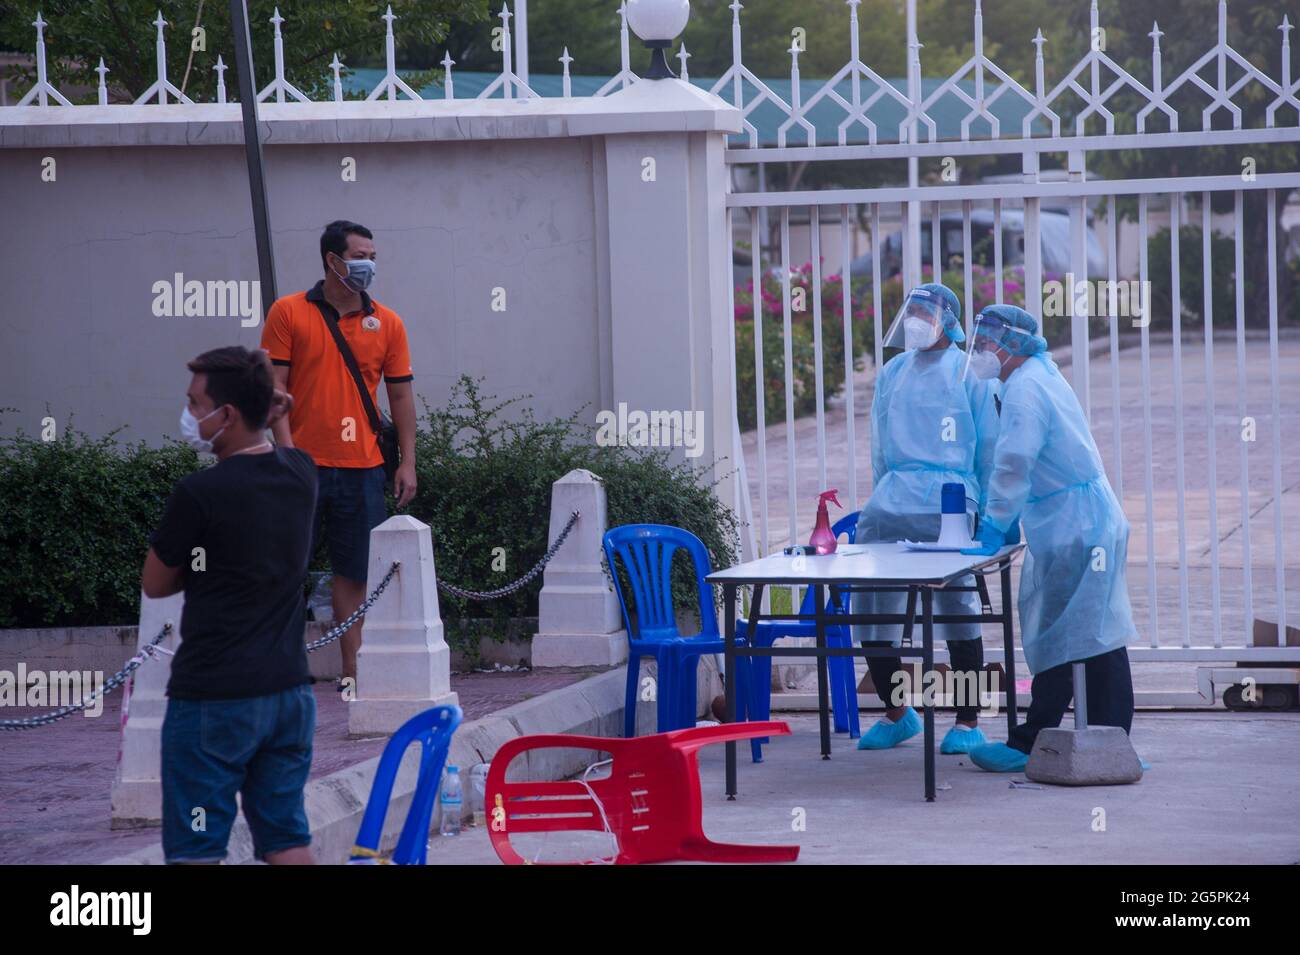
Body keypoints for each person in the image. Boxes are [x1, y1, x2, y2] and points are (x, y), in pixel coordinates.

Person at [142, 346, 317, 864]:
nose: (190, 415)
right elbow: (285, 452)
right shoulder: (302, 475)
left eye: (197, 404)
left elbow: (155, 583)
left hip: (213, 700)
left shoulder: (199, 492)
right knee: (286, 839)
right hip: (288, 693)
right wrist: (274, 414)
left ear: (229, 414)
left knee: (197, 847)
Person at [957, 304, 1139, 773]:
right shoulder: (1033, 374)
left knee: (1066, 636)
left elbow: (1014, 461)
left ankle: (1034, 740)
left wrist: (995, 522)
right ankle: (1110, 742)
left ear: (1011, 344)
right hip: (1079, 520)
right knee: (1094, 636)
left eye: (986, 342)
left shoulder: (1026, 389)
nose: (979, 351)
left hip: (1075, 528)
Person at [260, 220, 418, 688]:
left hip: (364, 468)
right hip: (302, 467)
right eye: (360, 256)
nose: (369, 264)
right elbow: (275, 389)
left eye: (373, 256)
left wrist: (407, 461)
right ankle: (285, 669)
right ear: (333, 261)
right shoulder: (288, 313)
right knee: (289, 569)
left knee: (355, 572)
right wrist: (287, 455)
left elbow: (402, 397)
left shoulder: (388, 322)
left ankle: (354, 671)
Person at [852, 283, 1001, 755]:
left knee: (959, 611)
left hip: (952, 499)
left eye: (925, 310)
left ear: (949, 320)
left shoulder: (968, 372)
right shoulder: (892, 372)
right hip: (892, 498)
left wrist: (988, 509)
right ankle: (898, 714)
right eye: (911, 309)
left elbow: (990, 449)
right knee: (872, 610)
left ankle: (967, 721)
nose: (915, 318)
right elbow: (879, 445)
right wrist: (881, 491)